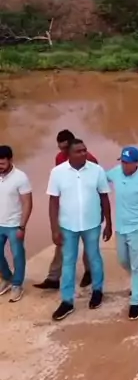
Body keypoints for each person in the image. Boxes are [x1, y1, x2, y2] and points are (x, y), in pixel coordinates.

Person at [46, 139, 112, 321]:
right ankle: (67, 301)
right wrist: (54, 229)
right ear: (69, 154)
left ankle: (97, 291)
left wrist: (109, 223)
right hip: (68, 225)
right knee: (68, 262)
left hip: (92, 224)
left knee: (94, 257)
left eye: (85, 150)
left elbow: (104, 197)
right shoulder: (57, 173)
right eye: (79, 151)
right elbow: (53, 202)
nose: (83, 153)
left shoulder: (97, 170)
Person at [35, 130, 99, 291]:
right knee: (62, 244)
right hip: (68, 210)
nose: (62, 151)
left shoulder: (90, 160)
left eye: (65, 148)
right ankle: (53, 278)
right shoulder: (59, 158)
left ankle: (89, 272)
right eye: (60, 148)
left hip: (87, 210)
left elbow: (96, 188)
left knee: (88, 245)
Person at [106, 147, 138, 321]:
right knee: (122, 260)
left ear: (136, 163)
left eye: (127, 163)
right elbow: (101, 177)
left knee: (137, 265)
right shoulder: (116, 172)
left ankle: (135, 301)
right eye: (122, 161)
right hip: (121, 227)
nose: (124, 165)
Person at [0, 145, 33, 303]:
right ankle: (7, 278)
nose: (0, 167)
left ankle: (17, 284)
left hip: (14, 224)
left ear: (11, 160)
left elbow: (27, 203)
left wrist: (22, 226)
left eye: (2, 163)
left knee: (18, 255)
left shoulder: (20, 177)